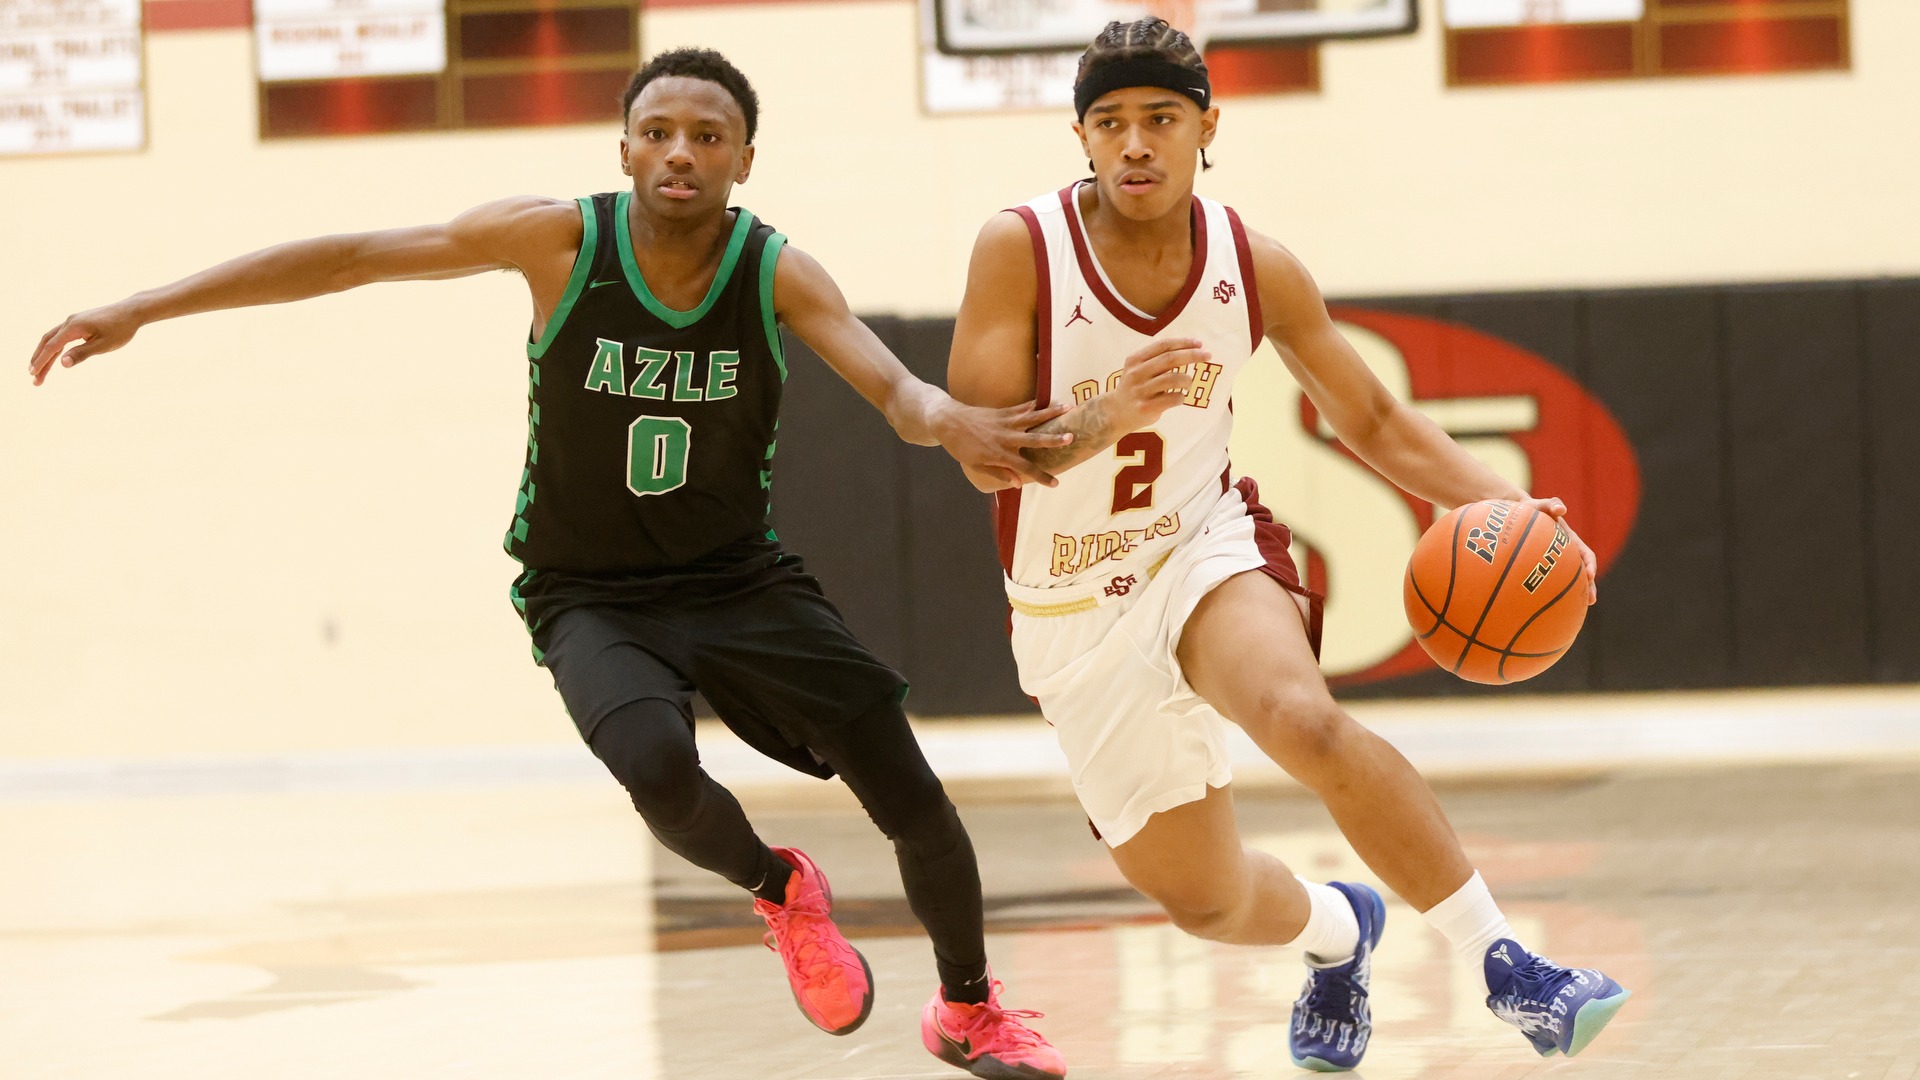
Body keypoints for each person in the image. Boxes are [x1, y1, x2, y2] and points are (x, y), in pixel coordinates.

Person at [29, 47, 1067, 1080]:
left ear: (745, 160)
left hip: (736, 579)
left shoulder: (774, 270)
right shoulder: (559, 243)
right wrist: (143, 306)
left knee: (913, 794)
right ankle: (778, 888)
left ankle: (967, 1008)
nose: (679, 153)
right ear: (622, 148)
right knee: (657, 770)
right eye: (657, 132)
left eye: (708, 137)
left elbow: (894, 390)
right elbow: (349, 257)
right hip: (591, 594)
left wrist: (953, 420)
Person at [946, 17, 1629, 1073]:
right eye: (1112, 122)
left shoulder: (1252, 265)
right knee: (1205, 900)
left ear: (1208, 125)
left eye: (1161, 119)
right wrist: (1103, 416)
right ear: (1079, 135)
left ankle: (1509, 966)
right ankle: (1340, 931)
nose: (1135, 144)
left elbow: (1378, 421)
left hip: (1198, 544)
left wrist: (1520, 510)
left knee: (1301, 719)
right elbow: (980, 454)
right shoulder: (1020, 247)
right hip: (1069, 607)